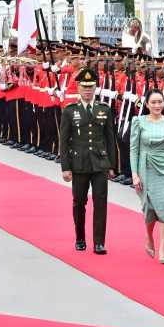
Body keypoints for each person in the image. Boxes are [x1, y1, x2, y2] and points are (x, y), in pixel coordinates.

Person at [59, 68, 117, 255]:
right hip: (79, 162)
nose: (87, 90)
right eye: (84, 87)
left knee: (101, 202)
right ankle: (80, 237)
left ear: (95, 88)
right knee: (79, 202)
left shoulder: (104, 109)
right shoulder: (70, 111)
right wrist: (66, 167)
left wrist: (111, 165)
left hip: (99, 163)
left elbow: (110, 139)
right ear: (78, 87)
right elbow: (64, 140)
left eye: (91, 87)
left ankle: (99, 242)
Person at [130, 89, 164, 264]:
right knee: (149, 208)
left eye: (160, 102)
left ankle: (163, 248)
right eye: (153, 102)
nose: (157, 105)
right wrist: (135, 174)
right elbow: (134, 150)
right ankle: (149, 237)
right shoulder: (138, 121)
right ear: (147, 105)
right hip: (146, 168)